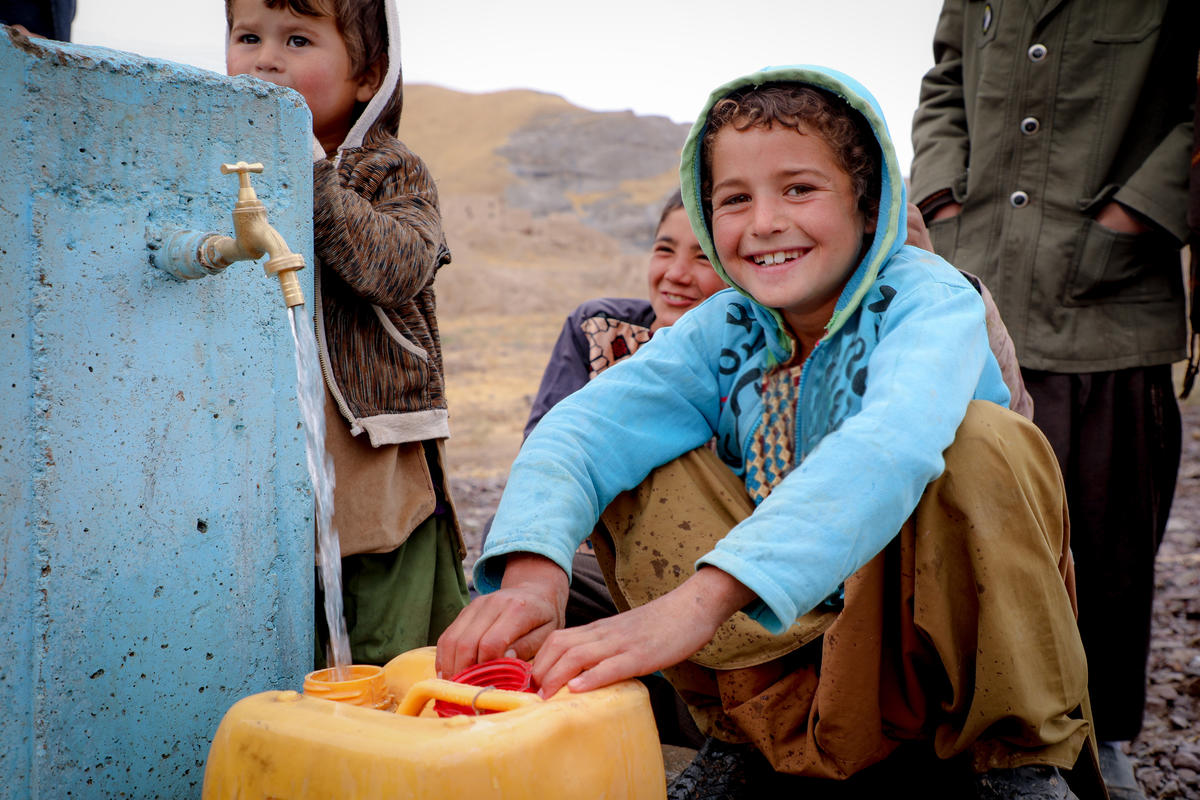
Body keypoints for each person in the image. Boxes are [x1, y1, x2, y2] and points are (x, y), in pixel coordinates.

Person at [439, 65, 1097, 798]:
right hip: (802, 643)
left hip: (915, 638)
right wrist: (534, 575)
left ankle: (1015, 763)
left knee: (982, 440)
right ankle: (748, 736)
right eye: (733, 199)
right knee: (641, 457)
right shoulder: (722, 328)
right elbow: (580, 432)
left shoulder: (929, 300)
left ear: (870, 202)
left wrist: (697, 604)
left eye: (799, 189)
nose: (763, 223)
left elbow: (891, 443)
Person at [909, 5, 1198, 797]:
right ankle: (962, 730)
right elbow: (946, 83)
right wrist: (938, 194)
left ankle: (1102, 735)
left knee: (1104, 533)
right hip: (976, 276)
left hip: (1109, 299)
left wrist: (1135, 218)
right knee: (949, 512)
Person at [225, 0, 467, 666]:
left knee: (391, 633)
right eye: (248, 36)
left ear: (369, 75)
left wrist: (308, 173)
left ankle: (400, 743)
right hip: (260, 436)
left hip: (372, 437)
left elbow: (392, 268)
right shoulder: (220, 168)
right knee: (275, 612)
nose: (266, 58)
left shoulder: (391, 170)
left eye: (298, 39)